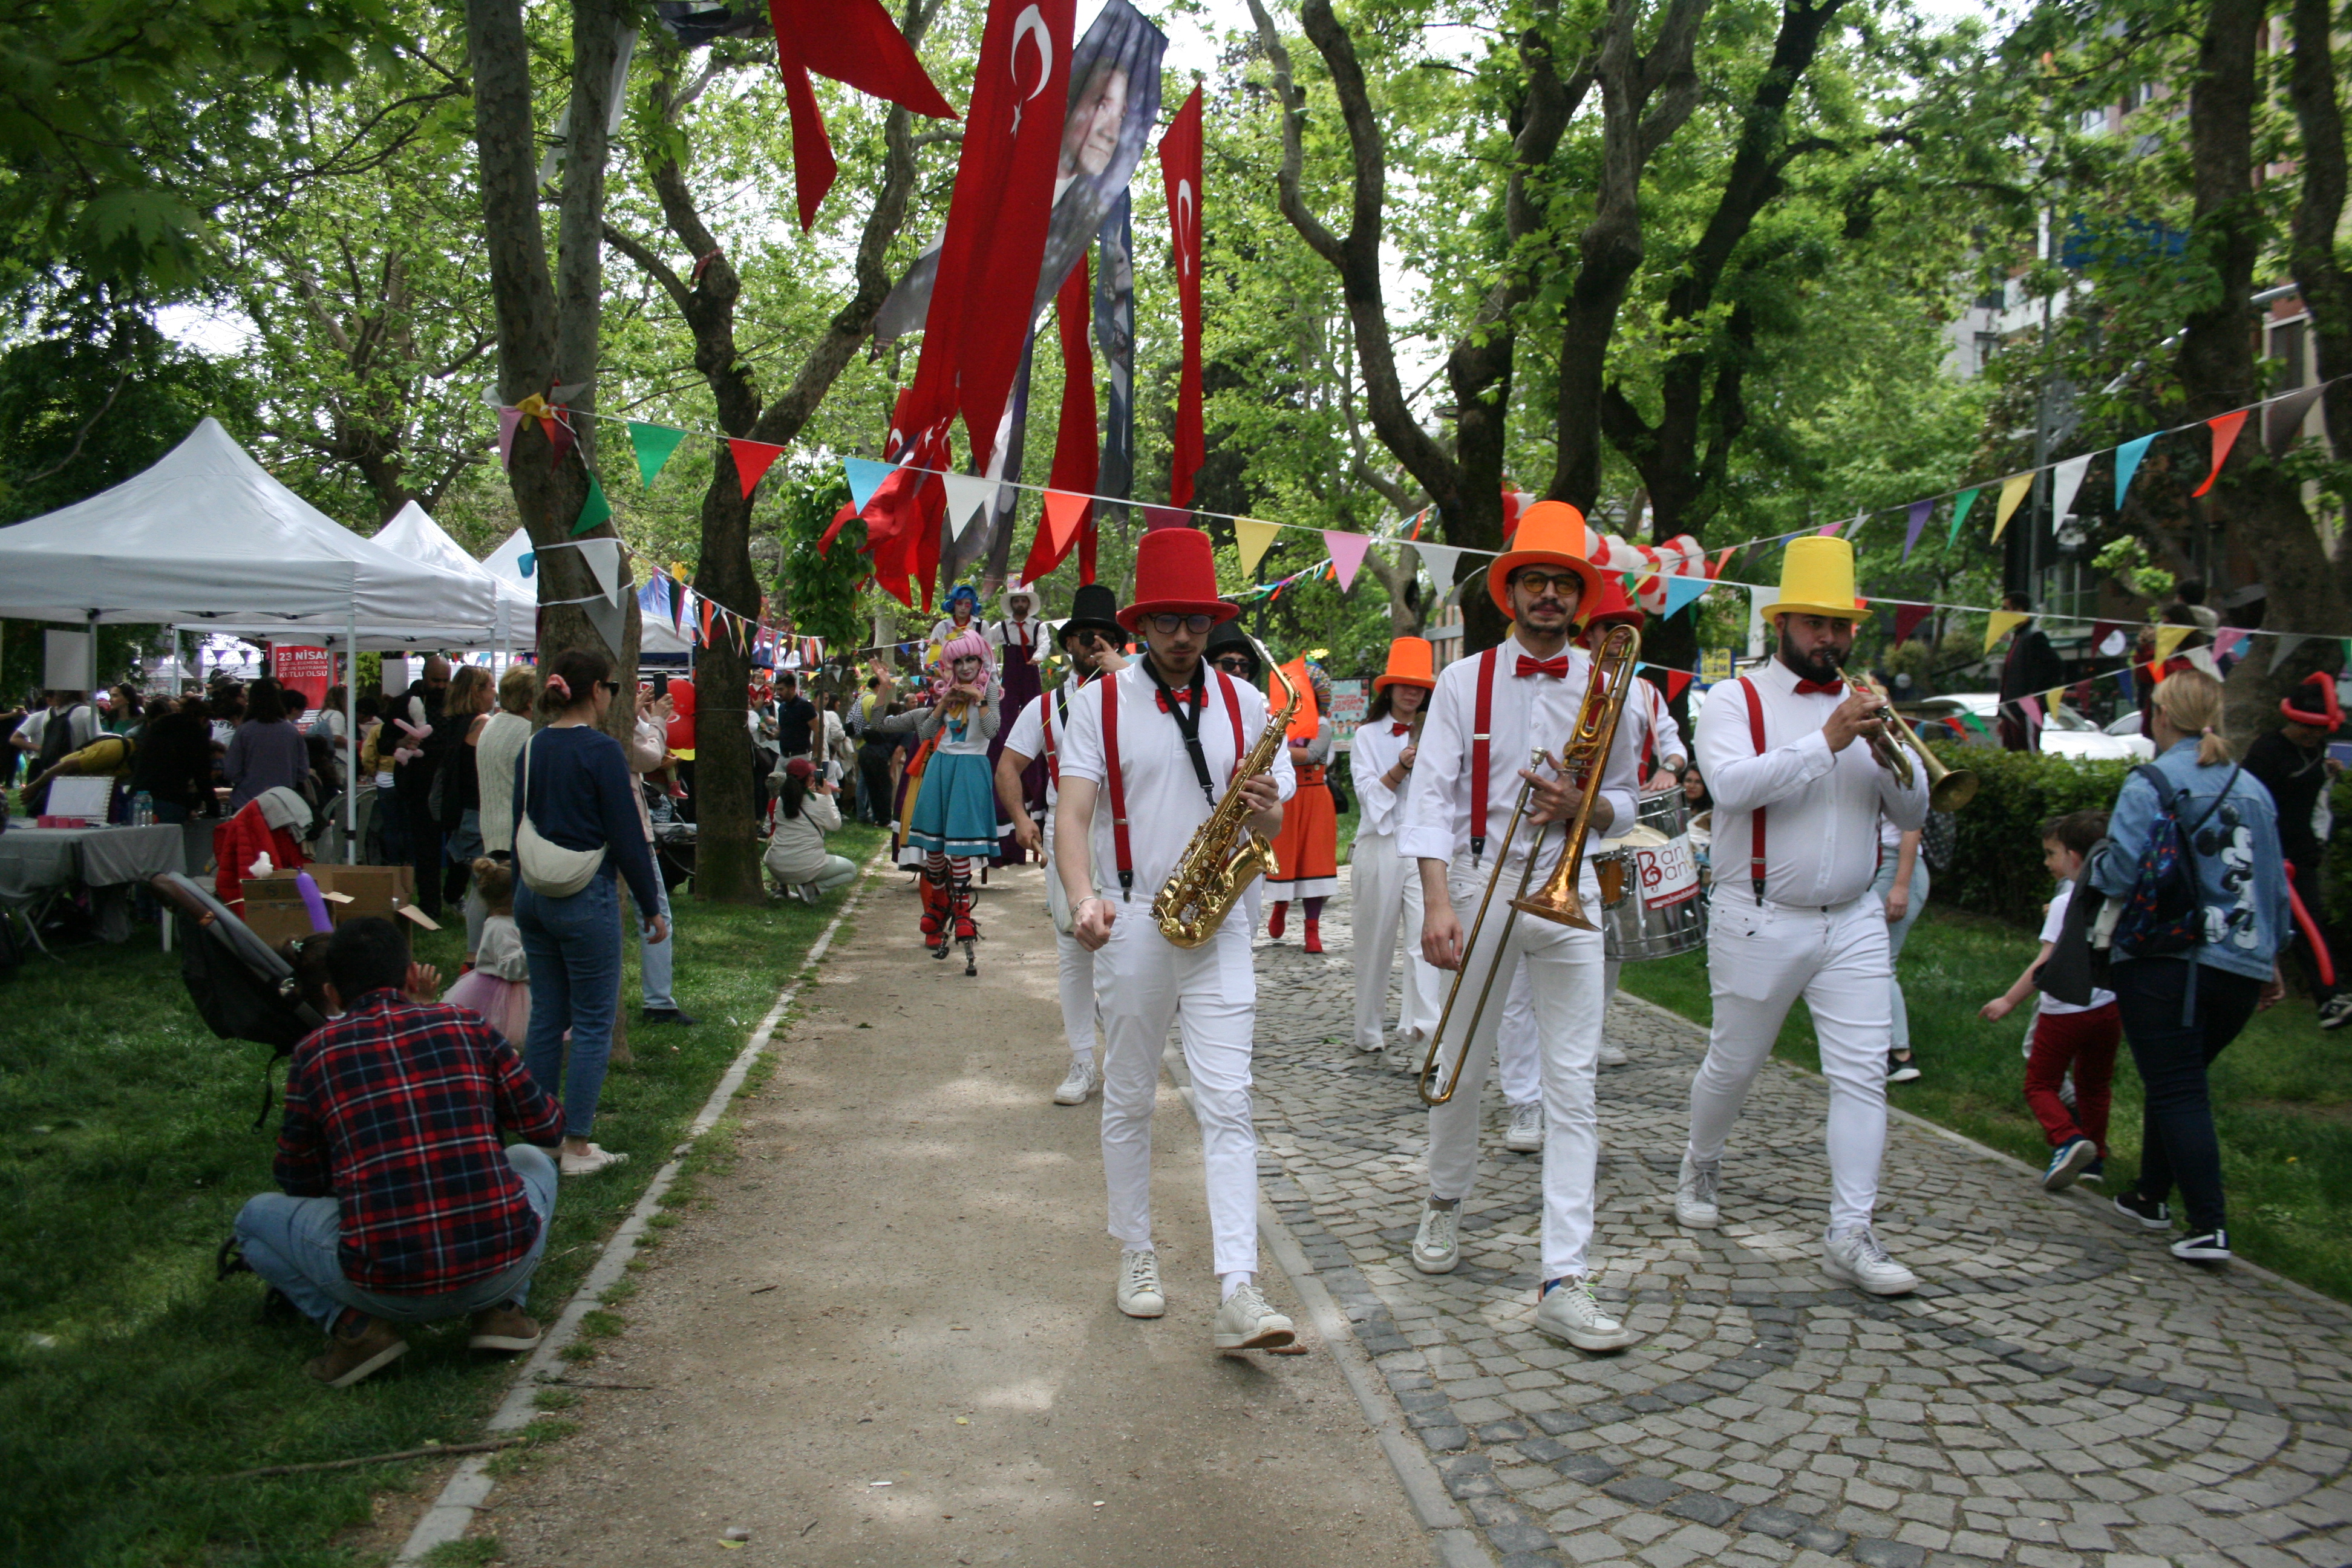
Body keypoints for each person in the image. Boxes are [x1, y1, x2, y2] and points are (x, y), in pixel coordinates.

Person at [1397, 500, 1642, 1351]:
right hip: (1477, 889)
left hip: (1569, 902)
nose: (1547, 596)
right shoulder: (1465, 682)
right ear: (1511, 593)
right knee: (1458, 1067)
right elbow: (1427, 795)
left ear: (1579, 597)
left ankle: (1566, 1275)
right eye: (1534, 581)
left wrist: (1589, 805)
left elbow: (1632, 800)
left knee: (1575, 1087)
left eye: (1562, 584)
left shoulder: (1616, 686)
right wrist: (1436, 904)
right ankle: (1443, 1199)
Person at [1054, 526, 1300, 1352]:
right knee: (1128, 1097)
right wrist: (1084, 897)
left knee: (1228, 1101)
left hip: (1219, 922)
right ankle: (1137, 1253)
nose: (1184, 636)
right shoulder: (1097, 704)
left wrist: (1263, 803)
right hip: (1132, 922)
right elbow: (1075, 813)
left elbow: (1272, 819)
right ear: (1141, 625)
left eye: (1196, 621)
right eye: (1166, 621)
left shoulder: (1251, 706)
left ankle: (1240, 1286)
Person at [1676, 535, 1930, 1295]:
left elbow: (1913, 807)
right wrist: (1827, 740)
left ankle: (1851, 1231)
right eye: (1815, 624)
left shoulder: (1865, 705)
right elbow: (1731, 786)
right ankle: (1700, 1160)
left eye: (1840, 625)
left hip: (1851, 919)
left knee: (1862, 1079)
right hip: (1759, 915)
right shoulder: (1736, 699)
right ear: (1783, 624)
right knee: (1735, 1062)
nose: (1829, 638)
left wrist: (1897, 753)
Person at [230, 918, 561, 1387]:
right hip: (499, 1266)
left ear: (333, 994)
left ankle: (357, 1328)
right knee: (532, 1160)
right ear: (409, 978)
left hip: (383, 1284)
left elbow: (297, 1180)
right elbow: (547, 1126)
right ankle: (504, 1309)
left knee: (253, 1220)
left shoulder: (314, 1054)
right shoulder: (468, 1026)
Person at [2091, 668, 2290, 1263]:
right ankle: (2151, 1195)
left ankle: (2209, 1223)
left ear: (2159, 715)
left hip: (2169, 957)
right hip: (2244, 961)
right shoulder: (2255, 789)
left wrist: (2094, 867)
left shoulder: (2150, 780)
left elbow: (2123, 871)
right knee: (2178, 1076)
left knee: (2177, 1084)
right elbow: (2274, 885)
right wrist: (2272, 958)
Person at [512, 648, 670, 1177]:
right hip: (585, 894)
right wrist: (651, 906)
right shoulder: (602, 752)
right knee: (594, 1021)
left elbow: (520, 825)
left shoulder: (532, 748)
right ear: (598, 690)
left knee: (547, 1016)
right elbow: (626, 836)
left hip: (534, 895)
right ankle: (577, 1142)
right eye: (613, 688)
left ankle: (538, 1136)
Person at [995, 582, 1128, 1105]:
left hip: (1121, 831)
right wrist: (1021, 820)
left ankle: (1121, 1061)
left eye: (1103, 637)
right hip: (1064, 831)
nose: (1092, 645)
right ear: (1067, 643)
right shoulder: (1046, 706)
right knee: (1074, 947)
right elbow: (1009, 766)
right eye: (1082, 637)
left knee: (1124, 946)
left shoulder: (1138, 691)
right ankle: (1080, 1063)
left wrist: (1121, 670)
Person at [1981, 811, 2120, 1192]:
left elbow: (2046, 962)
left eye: (2051, 854)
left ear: (2075, 858)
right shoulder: (2119, 896)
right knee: (2095, 1086)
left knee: (2040, 1084)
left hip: (2064, 1009)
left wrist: (2009, 1000)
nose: (2047, 863)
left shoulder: (2066, 903)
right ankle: (2097, 1162)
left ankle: (2068, 1139)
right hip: (2108, 1007)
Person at [878, 632, 1001, 967]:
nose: (964, 667)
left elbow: (991, 732)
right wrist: (941, 708)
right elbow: (927, 736)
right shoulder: (945, 692)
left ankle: (962, 909)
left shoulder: (989, 689)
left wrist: (981, 699)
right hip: (941, 768)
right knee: (932, 846)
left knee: (959, 846)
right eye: (958, 661)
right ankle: (940, 901)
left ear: (981, 661)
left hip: (971, 769)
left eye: (971, 660)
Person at [1348, 636, 1443, 1059]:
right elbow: (1371, 799)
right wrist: (1402, 766)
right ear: (1389, 688)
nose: (1412, 692)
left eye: (1420, 686)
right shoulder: (1367, 736)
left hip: (1424, 847)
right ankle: (1367, 1028)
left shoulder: (1442, 734)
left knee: (1427, 941)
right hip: (1380, 845)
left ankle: (1425, 1031)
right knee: (1375, 942)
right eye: (1404, 684)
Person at [2243, 671, 2347, 1028]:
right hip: (2275, 854)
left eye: (2321, 731)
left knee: (2308, 923)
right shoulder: (2266, 751)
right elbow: (2249, 803)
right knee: (2297, 926)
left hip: (2303, 851)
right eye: (2309, 729)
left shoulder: (2315, 750)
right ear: (2293, 719)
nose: (2315, 737)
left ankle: (2330, 997)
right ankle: (2329, 997)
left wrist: (2329, 770)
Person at [625, 688, 693, 1026]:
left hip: (615, 831)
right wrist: (656, 721)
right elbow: (648, 757)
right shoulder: (606, 728)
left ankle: (656, 1001)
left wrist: (639, 717)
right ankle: (658, 1002)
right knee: (655, 914)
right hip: (628, 831)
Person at [1264, 661, 1339, 952]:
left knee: (1316, 860)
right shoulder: (1277, 722)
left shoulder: (1323, 726)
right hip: (1288, 798)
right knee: (1284, 856)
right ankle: (1280, 905)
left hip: (1316, 799)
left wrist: (1279, 750)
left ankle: (1312, 929)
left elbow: (1314, 753)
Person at [471, 666, 537, 936]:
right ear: (531, 701)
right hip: (515, 828)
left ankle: (474, 954)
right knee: (511, 909)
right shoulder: (526, 732)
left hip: (491, 825)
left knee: (486, 894)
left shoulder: (492, 724)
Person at [989, 581, 1050, 863]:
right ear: (1012, 604)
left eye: (1023, 601)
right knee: (1008, 709)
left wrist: (1038, 657)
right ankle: (1008, 736)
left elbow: (1045, 645)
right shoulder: (1001, 628)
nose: (1020, 605)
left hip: (1030, 673)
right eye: (1016, 602)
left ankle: (1036, 734)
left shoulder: (1039, 627)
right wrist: (990, 667)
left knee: (1036, 708)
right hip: (1011, 673)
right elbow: (986, 645)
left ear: (1028, 603)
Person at [445, 858, 532, 1043]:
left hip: (513, 987)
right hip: (502, 992)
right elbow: (510, 968)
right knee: (499, 1031)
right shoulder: (501, 927)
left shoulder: (513, 922)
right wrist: (534, 947)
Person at [395, 657, 453, 918]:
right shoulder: (406, 702)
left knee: (456, 849)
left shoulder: (454, 704)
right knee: (427, 851)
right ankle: (430, 905)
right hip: (419, 786)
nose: (441, 686)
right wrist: (402, 741)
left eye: (445, 681)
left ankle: (451, 896)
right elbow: (387, 741)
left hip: (450, 786)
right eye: (436, 680)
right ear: (425, 676)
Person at [1872, 810, 1927, 1083]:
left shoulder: (1901, 770)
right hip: (1884, 864)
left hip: (1897, 867)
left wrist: (1901, 886)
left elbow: (1911, 827)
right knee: (1871, 961)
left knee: (1878, 962)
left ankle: (1900, 1055)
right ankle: (1882, 1050)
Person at [437, 666, 495, 920]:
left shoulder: (453, 723)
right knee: (488, 889)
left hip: (461, 811)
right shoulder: (481, 723)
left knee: (480, 887)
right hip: (476, 811)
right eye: (491, 686)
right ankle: (478, 950)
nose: (495, 692)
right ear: (476, 691)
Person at [764, 756, 859, 903]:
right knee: (851, 870)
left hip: (776, 866)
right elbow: (835, 825)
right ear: (809, 779)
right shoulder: (819, 801)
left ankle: (782, 889)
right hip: (807, 867)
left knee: (777, 840)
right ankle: (813, 889)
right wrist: (828, 797)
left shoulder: (780, 802)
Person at [223, 679, 309, 812]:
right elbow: (302, 771)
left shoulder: (244, 731)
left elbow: (232, 771)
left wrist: (247, 782)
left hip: (246, 803)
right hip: (282, 804)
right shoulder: (291, 732)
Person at [1996, 593, 2065, 753]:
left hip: (2027, 708)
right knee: (2012, 756)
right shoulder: (2019, 637)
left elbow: (2056, 666)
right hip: (2011, 710)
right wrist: (2003, 715)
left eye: (2006, 609)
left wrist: (2035, 695)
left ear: (2019, 610)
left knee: (2027, 754)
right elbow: (2009, 679)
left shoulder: (2034, 636)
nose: (2003, 613)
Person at [130, 694, 214, 827]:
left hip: (138, 798)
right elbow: (202, 775)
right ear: (203, 719)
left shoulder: (158, 726)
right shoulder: (194, 730)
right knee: (169, 844)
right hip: (171, 801)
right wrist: (213, 807)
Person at [13, 690, 100, 815]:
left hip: (51, 772)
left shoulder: (50, 713)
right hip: (78, 773)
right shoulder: (87, 712)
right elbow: (96, 743)